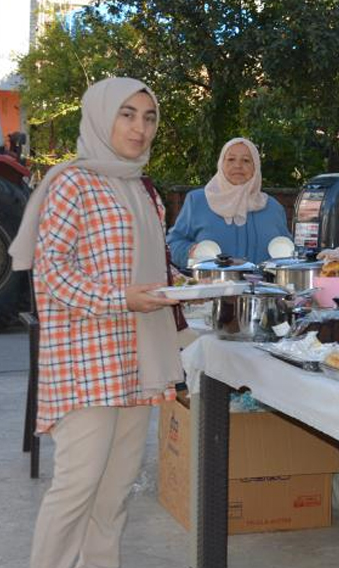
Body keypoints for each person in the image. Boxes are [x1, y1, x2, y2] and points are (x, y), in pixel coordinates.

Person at [8, 77, 183, 568]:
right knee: (76, 490)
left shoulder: (141, 187)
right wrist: (118, 299)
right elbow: (52, 272)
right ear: (101, 116)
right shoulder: (72, 183)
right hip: (88, 359)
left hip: (138, 359)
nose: (140, 127)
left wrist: (176, 286)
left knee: (114, 496)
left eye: (148, 117)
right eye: (127, 114)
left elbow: (143, 266)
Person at [166, 137, 291, 267]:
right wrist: (190, 252)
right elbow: (173, 243)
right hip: (210, 285)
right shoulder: (197, 201)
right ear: (221, 164)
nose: (238, 165)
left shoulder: (272, 207)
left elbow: (289, 252)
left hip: (263, 286)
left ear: (256, 167)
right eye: (231, 159)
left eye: (246, 160)